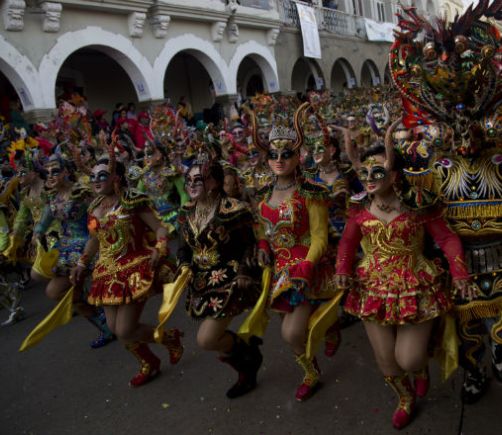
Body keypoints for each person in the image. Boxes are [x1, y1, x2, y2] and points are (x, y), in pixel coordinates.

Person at [335, 142, 472, 430]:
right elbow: (347, 241)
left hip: (415, 284)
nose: (369, 178)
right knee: (387, 360)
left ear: (395, 174)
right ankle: (405, 397)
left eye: (377, 171)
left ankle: (420, 369)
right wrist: (342, 269)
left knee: (408, 359)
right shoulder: (359, 205)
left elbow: (447, 238)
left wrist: (460, 273)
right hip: (371, 287)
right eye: (363, 172)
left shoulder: (417, 203)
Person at [71, 155, 182, 387]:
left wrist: (160, 247)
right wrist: (82, 263)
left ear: (117, 178)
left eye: (102, 175)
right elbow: (95, 239)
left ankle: (169, 338)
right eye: (93, 176)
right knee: (114, 328)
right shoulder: (94, 207)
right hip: (106, 273)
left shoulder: (132, 200)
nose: (95, 180)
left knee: (124, 329)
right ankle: (149, 362)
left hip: (134, 268)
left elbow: (160, 228)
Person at [256, 103, 338, 401]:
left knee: (291, 333)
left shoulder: (310, 191)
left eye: (286, 154)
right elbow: (262, 229)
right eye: (273, 155)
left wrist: (307, 264)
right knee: (288, 329)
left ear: (298, 156)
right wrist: (262, 245)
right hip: (278, 271)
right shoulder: (263, 193)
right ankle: (312, 364)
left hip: (305, 266)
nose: (279, 160)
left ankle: (312, 369)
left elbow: (320, 237)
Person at [176, 158, 262, 398]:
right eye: (189, 180)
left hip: (230, 281)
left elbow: (250, 245)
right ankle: (246, 365)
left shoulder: (234, 210)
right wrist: (183, 266)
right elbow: (183, 248)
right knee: (211, 340)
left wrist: (244, 273)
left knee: (206, 339)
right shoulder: (186, 211)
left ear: (214, 181)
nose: (192, 185)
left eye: (199, 179)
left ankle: (248, 355)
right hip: (200, 284)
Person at [33, 154, 114, 348]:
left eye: (55, 171)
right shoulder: (52, 198)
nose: (50, 176)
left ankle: (113, 320)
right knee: (55, 292)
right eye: (47, 172)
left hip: (90, 243)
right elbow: (44, 220)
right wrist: (37, 233)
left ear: (66, 172)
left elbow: (102, 208)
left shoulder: (81, 192)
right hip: (66, 248)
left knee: (99, 285)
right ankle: (102, 322)